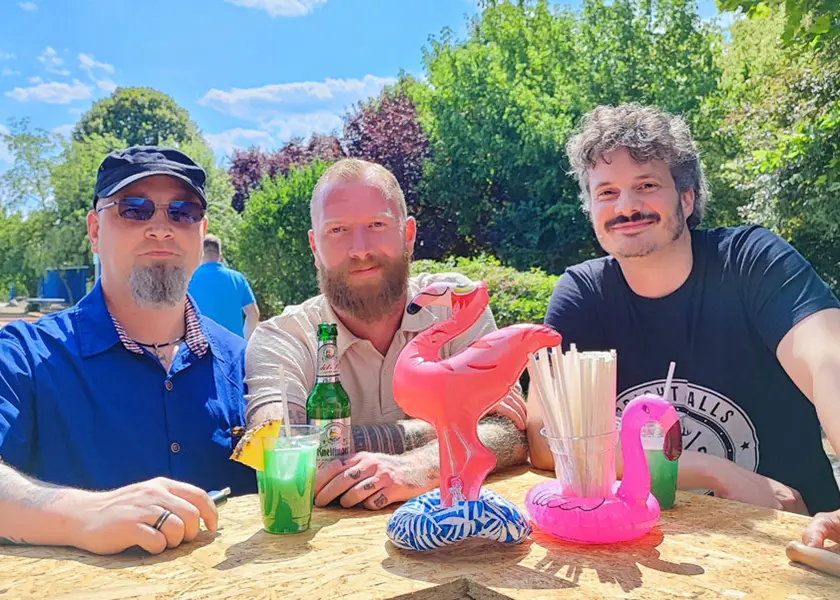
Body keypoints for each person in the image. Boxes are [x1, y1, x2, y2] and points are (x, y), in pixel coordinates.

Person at [530, 103, 840, 521]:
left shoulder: (752, 262)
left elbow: (828, 362)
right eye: (607, 192)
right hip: (651, 540)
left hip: (798, 533)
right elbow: (547, 441)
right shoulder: (583, 294)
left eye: (646, 185)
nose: (626, 207)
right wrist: (714, 471)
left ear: (687, 198)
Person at [0, 146, 255, 556]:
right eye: (134, 209)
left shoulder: (246, 364)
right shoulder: (26, 358)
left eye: (183, 212)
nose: (161, 229)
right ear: (95, 231)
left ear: (201, 231)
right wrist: (84, 515)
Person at [245, 158, 528, 510]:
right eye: (337, 230)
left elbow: (512, 433)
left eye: (377, 225)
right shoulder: (282, 338)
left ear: (408, 235)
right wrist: (454, 421)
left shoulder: (455, 304)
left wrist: (418, 468)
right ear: (315, 247)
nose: (360, 250)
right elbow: (278, 450)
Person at [188, 234, 260, 339]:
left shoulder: (189, 278)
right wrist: (244, 341)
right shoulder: (238, 278)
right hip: (233, 346)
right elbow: (253, 314)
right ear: (220, 256)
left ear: (200, 255)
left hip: (200, 344)